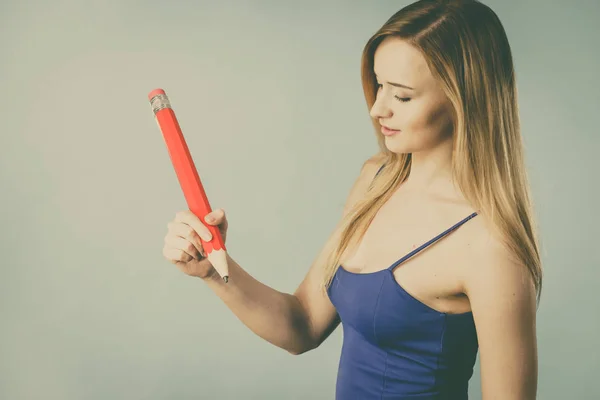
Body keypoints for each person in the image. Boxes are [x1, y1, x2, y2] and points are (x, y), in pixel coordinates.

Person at [162, 0, 541, 398]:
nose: (378, 108)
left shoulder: (492, 248)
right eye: (379, 85)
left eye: (403, 96)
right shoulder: (375, 180)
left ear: (464, 99)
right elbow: (302, 324)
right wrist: (213, 271)